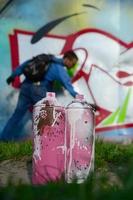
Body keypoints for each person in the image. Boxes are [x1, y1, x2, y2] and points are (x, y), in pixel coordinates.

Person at [1, 50, 79, 141]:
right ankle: (45, 143)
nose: (72, 66)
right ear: (67, 59)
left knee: (17, 115)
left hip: (25, 87)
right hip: (39, 90)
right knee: (46, 117)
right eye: (73, 63)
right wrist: (79, 98)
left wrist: (13, 76)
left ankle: (3, 138)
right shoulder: (59, 68)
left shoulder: (44, 59)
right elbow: (68, 86)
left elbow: (24, 65)